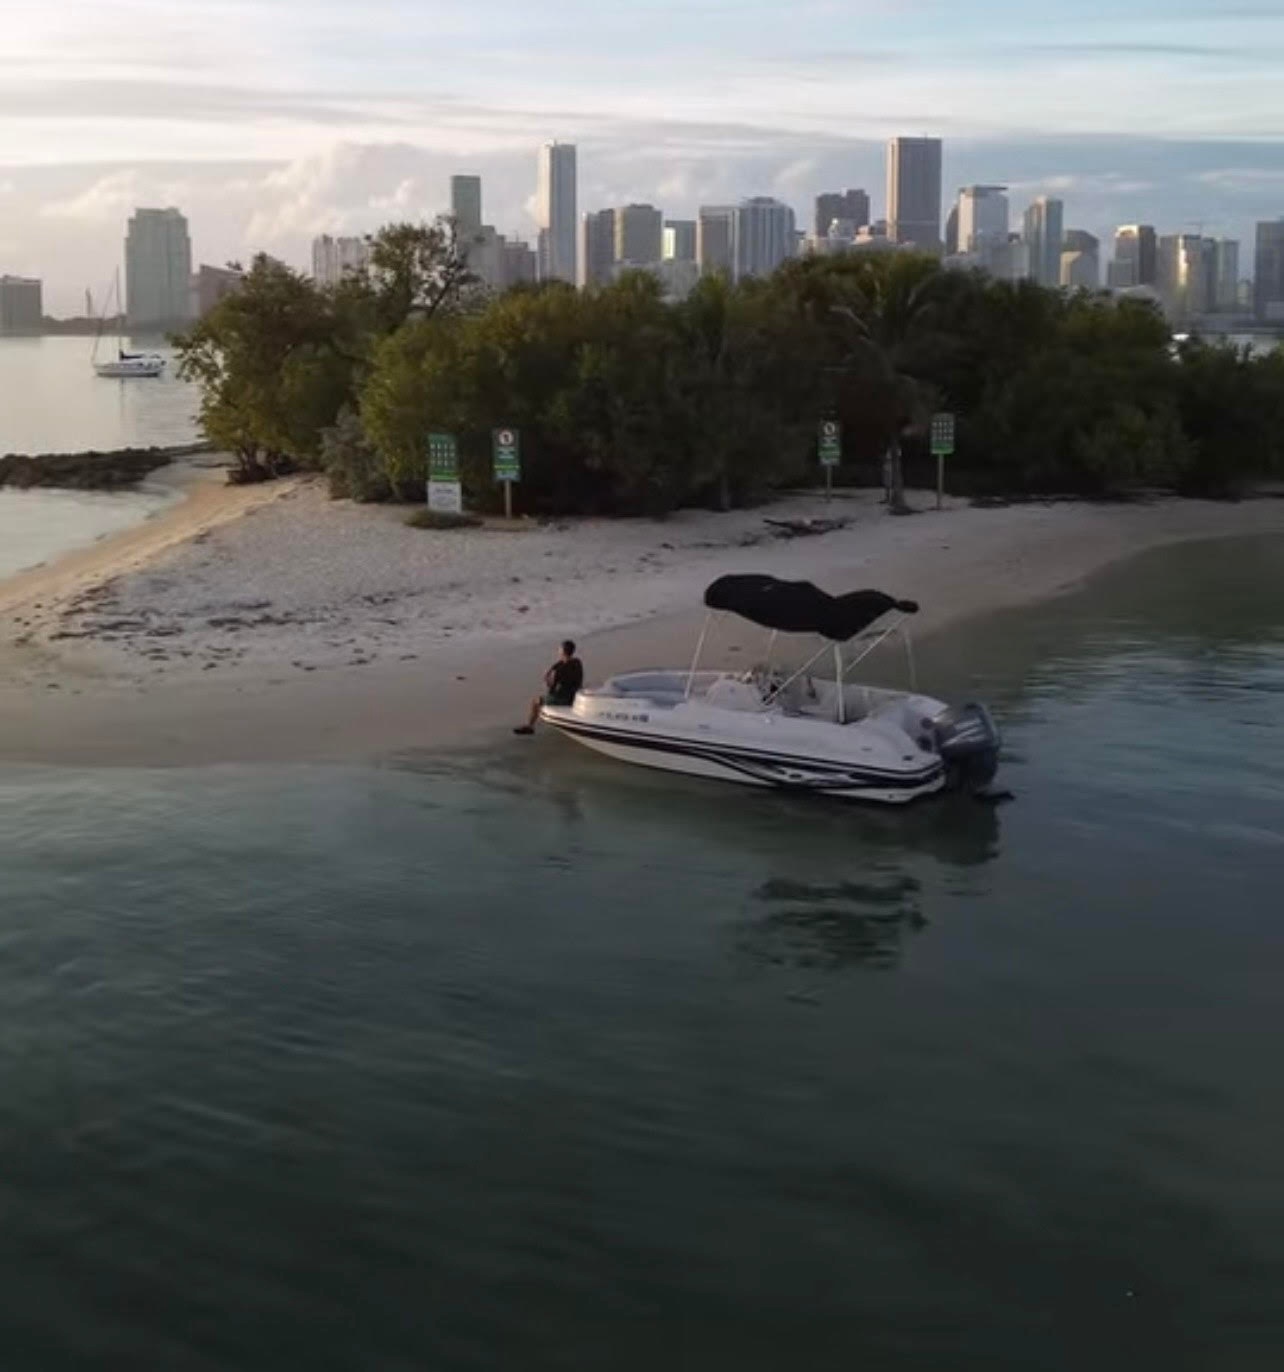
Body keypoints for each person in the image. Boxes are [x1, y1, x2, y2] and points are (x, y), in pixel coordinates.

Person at [514, 640, 583, 735]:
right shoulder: (577, 662)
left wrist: (546, 680)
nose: (558, 650)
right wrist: (552, 668)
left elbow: (551, 690)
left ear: (562, 651)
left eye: (559, 649)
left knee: (536, 701)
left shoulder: (559, 672)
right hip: (575, 695)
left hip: (565, 699)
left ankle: (530, 726)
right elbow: (561, 663)